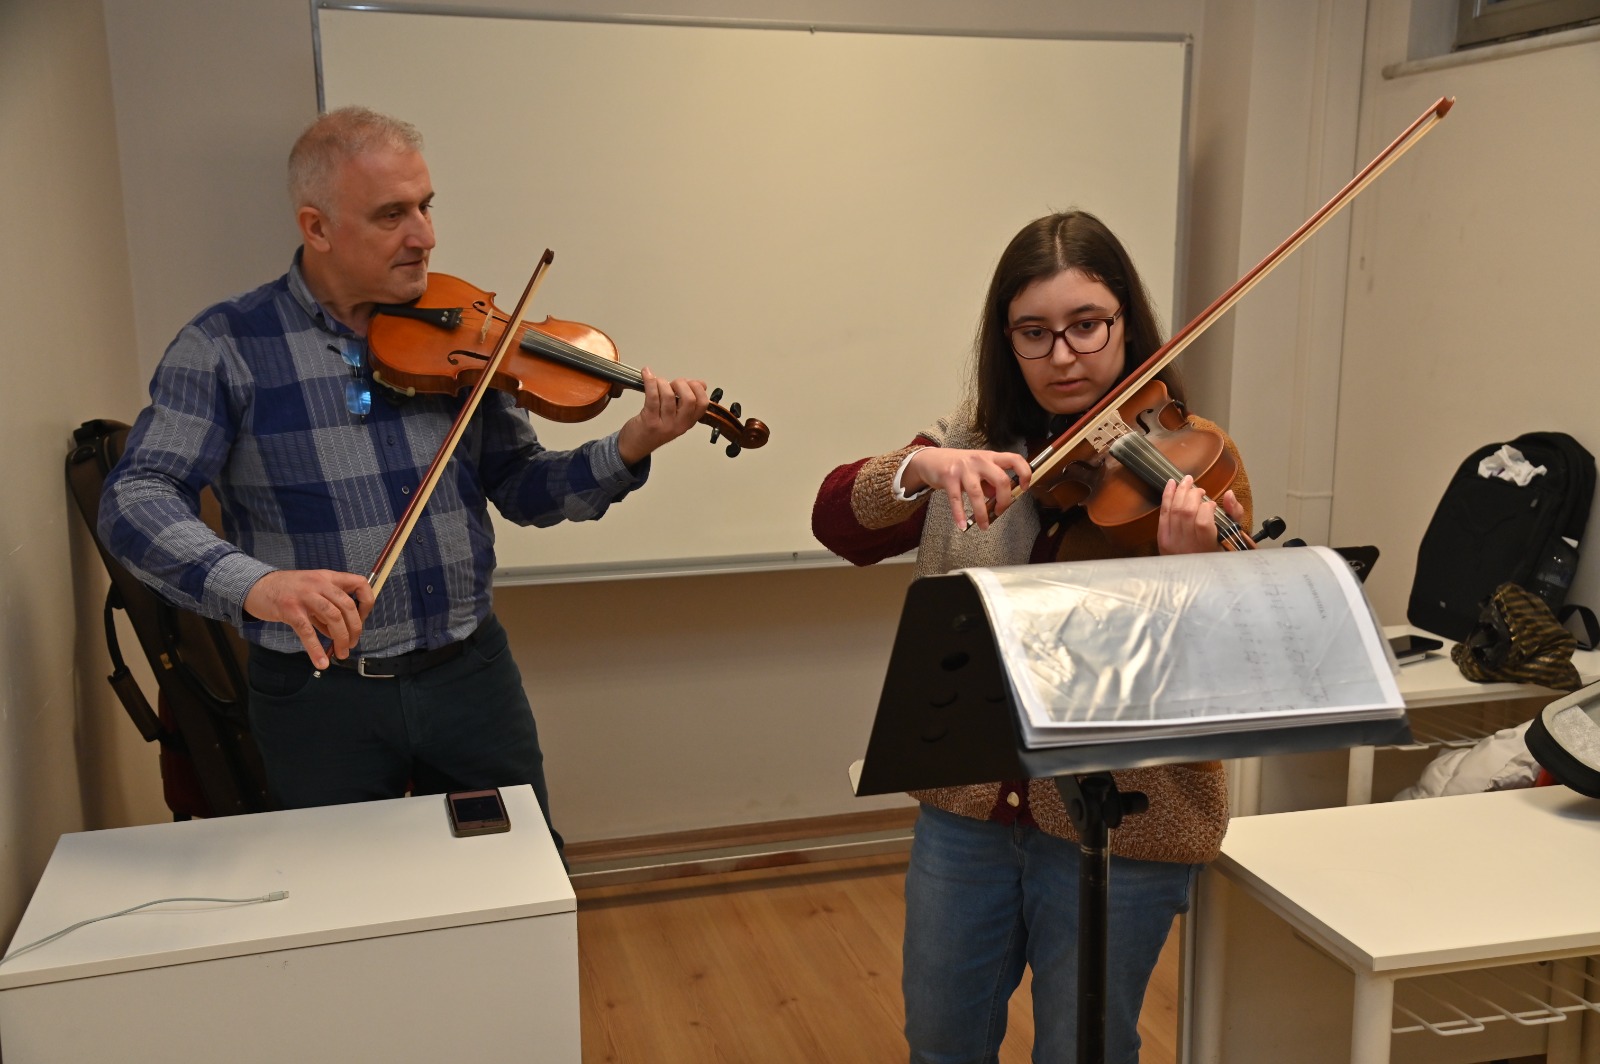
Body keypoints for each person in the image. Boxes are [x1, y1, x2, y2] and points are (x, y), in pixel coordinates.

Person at [99, 106, 711, 847]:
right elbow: (134, 499)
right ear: (316, 227)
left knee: (516, 889)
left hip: (469, 677)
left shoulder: (460, 330)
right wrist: (256, 585)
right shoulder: (225, 347)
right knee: (355, 911)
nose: (424, 236)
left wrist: (631, 443)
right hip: (318, 698)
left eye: (425, 207)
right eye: (392, 215)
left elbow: (523, 486)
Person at [811, 210, 1252, 1063]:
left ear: (1127, 322)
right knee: (941, 1042)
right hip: (967, 815)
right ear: (1005, 341)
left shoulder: (1189, 465)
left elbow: (1229, 675)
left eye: (1087, 326)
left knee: (1083, 1050)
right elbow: (840, 520)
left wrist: (1187, 573)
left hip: (1129, 823)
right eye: (1034, 333)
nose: (1063, 355)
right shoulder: (969, 452)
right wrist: (919, 467)